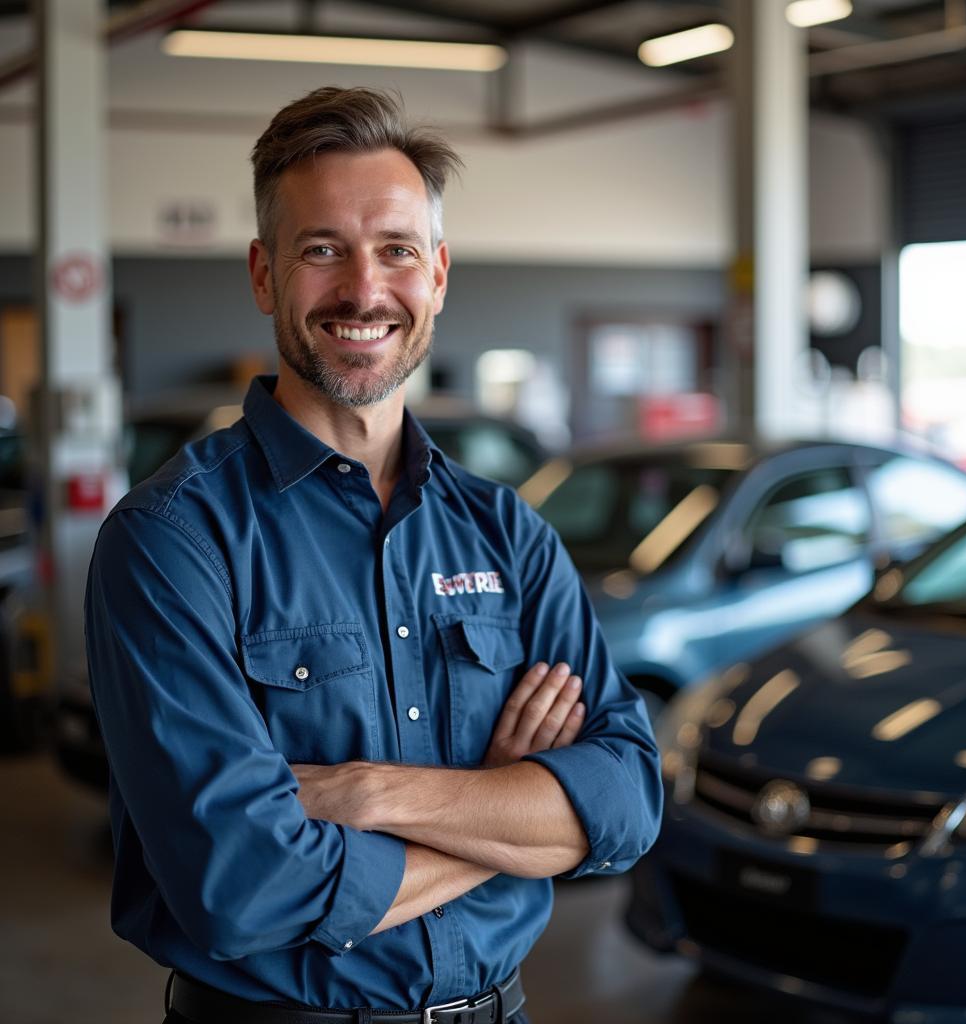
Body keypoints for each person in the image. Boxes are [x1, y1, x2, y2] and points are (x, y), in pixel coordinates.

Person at [85, 86, 662, 1024]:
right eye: (322, 251)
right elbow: (242, 887)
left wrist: (366, 793)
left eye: (395, 249)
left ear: (435, 273)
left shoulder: (509, 534)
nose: (363, 289)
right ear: (265, 275)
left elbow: (629, 803)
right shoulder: (171, 542)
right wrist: (511, 816)